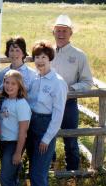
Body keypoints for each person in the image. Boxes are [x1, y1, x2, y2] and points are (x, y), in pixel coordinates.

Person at [51, 14, 93, 171]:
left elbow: (87, 82)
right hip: (48, 104)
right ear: (53, 32)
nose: (61, 34)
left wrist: (71, 89)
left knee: (71, 141)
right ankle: (49, 173)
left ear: (70, 33)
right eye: (58, 30)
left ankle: (73, 175)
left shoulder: (79, 55)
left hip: (68, 103)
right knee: (48, 140)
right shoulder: (47, 52)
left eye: (64, 31)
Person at [26, 41, 67, 186]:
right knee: (35, 170)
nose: (40, 60)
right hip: (32, 124)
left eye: (43, 57)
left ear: (50, 58)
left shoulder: (58, 82)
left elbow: (58, 115)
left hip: (45, 127)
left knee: (38, 172)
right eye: (37, 57)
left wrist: (47, 139)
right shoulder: (35, 78)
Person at [0, 70, 31, 186]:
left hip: (14, 143)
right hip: (4, 142)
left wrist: (18, 152)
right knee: (10, 175)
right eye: (7, 82)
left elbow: (23, 131)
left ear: (19, 86)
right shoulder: (7, 100)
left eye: (13, 84)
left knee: (5, 176)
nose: (9, 86)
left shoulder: (21, 104)